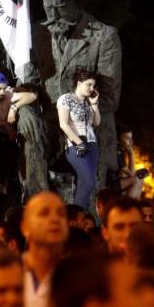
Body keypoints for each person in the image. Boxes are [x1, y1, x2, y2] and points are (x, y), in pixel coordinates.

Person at [26, 0, 121, 187]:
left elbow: (109, 98)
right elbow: (27, 85)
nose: (54, 15)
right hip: (48, 129)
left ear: (73, 0)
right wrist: (23, 111)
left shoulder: (104, 36)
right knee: (28, 134)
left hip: (89, 125)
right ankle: (34, 212)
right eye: (48, 7)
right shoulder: (34, 34)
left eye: (59, 7)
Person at [21, 191, 69, 307]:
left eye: (61, 214)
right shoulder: (6, 271)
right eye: (44, 213)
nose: (55, 219)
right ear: (25, 227)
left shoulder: (80, 276)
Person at [57, 68, 100, 210]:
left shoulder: (88, 101)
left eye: (93, 85)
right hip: (75, 145)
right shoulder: (66, 99)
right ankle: (74, 215)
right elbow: (63, 124)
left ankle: (78, 217)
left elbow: (96, 123)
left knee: (84, 183)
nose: (92, 88)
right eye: (89, 84)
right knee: (89, 182)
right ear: (79, 83)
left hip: (92, 145)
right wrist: (79, 142)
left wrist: (94, 104)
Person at [116, 126, 146, 199]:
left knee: (141, 179)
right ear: (119, 138)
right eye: (127, 138)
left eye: (131, 138)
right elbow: (131, 174)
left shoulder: (121, 150)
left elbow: (128, 173)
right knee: (135, 180)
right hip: (110, 183)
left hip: (118, 181)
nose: (130, 141)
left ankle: (134, 206)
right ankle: (128, 207)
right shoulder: (116, 151)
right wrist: (131, 155)